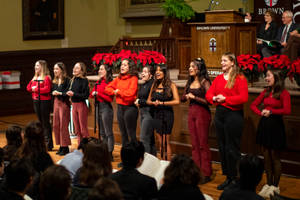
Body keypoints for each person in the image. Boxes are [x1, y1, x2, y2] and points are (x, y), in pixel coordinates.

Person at [206, 52, 248, 190]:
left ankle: (236, 179)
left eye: (225, 60)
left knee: (232, 148)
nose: (222, 63)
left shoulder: (240, 78)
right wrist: (214, 98)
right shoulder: (218, 79)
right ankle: (228, 177)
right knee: (223, 147)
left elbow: (243, 98)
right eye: (221, 60)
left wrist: (225, 99)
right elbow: (209, 94)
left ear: (232, 63)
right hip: (220, 115)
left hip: (233, 115)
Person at [250, 69, 291, 198]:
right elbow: (253, 105)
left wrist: (272, 112)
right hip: (265, 126)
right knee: (266, 157)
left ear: (276, 77)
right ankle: (268, 184)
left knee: (275, 158)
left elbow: (287, 110)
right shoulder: (266, 92)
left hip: (276, 127)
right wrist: (261, 112)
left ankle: (275, 186)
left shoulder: (283, 93)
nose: (266, 78)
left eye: (268, 76)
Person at [181, 58, 212, 183]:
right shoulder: (189, 82)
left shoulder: (205, 82)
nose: (190, 68)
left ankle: (206, 173)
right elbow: (183, 98)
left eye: (192, 66)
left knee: (202, 144)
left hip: (202, 114)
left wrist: (195, 97)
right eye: (189, 66)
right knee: (194, 144)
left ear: (198, 68)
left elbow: (209, 101)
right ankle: (196, 171)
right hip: (191, 113)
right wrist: (186, 96)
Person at [147, 64, 180, 160]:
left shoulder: (171, 85)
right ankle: (162, 164)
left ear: (165, 73)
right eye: (156, 70)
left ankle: (168, 166)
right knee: (160, 142)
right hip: (156, 115)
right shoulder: (154, 85)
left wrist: (162, 103)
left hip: (167, 115)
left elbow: (177, 101)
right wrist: (154, 103)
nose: (157, 72)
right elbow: (148, 100)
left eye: (159, 70)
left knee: (166, 142)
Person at [15, 121, 54, 200]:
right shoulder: (44, 157)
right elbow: (52, 180)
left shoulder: (18, 154)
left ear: (24, 136)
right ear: (42, 138)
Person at [105, 59, 139, 147]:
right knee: (123, 134)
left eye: (124, 65)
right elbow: (107, 88)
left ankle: (135, 155)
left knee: (131, 134)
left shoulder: (133, 78)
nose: (122, 67)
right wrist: (115, 92)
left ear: (130, 67)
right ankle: (126, 157)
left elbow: (130, 95)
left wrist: (119, 92)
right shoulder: (118, 78)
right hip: (120, 108)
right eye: (121, 65)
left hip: (130, 108)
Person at [26, 60, 53, 151]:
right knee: (40, 122)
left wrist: (36, 89)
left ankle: (49, 144)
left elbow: (47, 89)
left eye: (37, 65)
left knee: (45, 122)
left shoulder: (46, 77)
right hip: (36, 100)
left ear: (42, 67)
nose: (35, 67)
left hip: (45, 101)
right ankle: (42, 143)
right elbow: (28, 87)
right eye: (35, 65)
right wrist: (34, 88)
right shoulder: (35, 77)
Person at [89, 64, 114, 158]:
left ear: (106, 71)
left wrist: (98, 94)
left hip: (106, 108)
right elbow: (91, 95)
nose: (99, 71)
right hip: (98, 107)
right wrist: (95, 93)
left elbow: (110, 98)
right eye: (99, 69)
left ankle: (110, 152)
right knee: (102, 133)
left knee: (108, 133)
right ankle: (104, 152)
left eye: (101, 69)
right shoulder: (98, 82)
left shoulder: (109, 82)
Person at [135, 65, 156, 155]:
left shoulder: (152, 84)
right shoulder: (144, 84)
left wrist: (140, 101)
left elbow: (151, 100)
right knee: (150, 138)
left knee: (144, 139)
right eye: (142, 72)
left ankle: (146, 163)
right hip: (142, 113)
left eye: (145, 72)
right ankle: (152, 160)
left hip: (149, 113)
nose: (142, 74)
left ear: (151, 75)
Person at [67, 62, 90, 144]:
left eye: (77, 68)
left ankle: (87, 147)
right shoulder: (72, 80)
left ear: (82, 70)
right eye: (74, 67)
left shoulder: (84, 80)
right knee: (77, 129)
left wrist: (74, 94)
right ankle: (80, 146)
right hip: (74, 106)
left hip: (81, 106)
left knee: (83, 129)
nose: (74, 69)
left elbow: (86, 95)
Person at [52, 62, 71, 156]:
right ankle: (60, 145)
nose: (55, 71)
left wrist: (59, 93)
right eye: (54, 69)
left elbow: (68, 92)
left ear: (62, 70)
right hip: (56, 103)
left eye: (56, 69)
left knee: (63, 125)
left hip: (64, 103)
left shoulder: (67, 80)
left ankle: (65, 147)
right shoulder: (55, 80)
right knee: (56, 125)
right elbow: (53, 90)